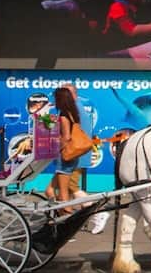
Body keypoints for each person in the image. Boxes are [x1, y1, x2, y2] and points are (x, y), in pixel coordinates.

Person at [47, 84, 111, 235]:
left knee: (70, 189)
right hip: (77, 155)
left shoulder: (69, 111)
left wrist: (55, 145)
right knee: (54, 190)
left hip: (73, 155)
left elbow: (68, 136)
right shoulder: (77, 109)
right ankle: (70, 220)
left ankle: (96, 213)